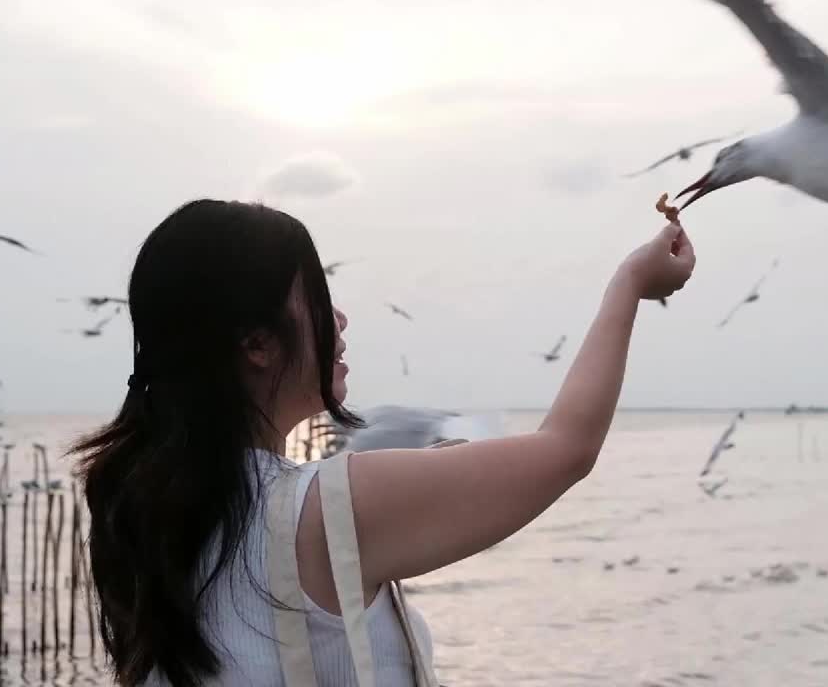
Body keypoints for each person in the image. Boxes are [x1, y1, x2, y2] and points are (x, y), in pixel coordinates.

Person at [71, 199, 696, 686]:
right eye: (315, 297)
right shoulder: (325, 508)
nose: (338, 318)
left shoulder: (139, 513)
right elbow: (567, 447)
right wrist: (630, 285)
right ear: (258, 344)